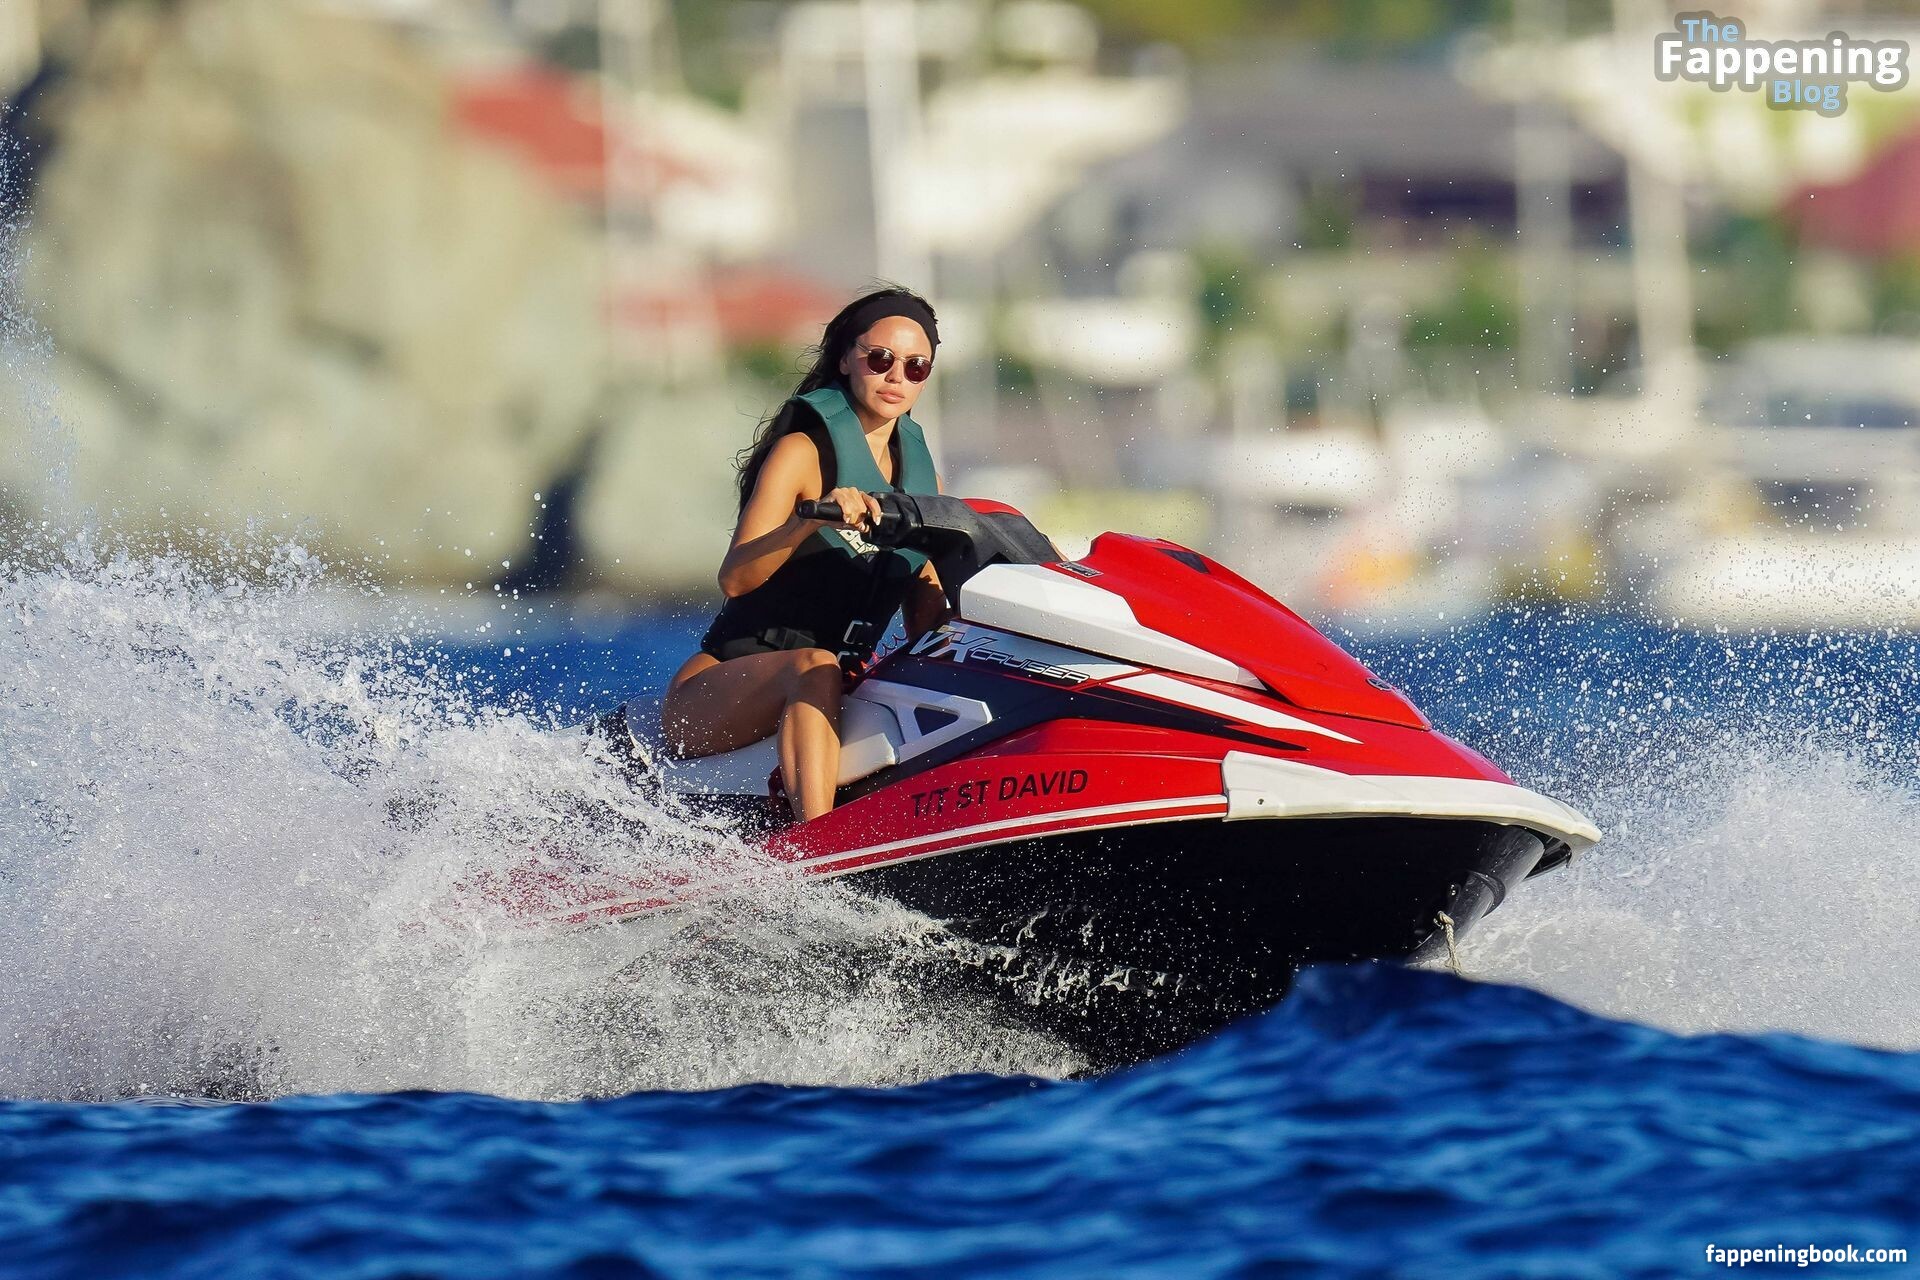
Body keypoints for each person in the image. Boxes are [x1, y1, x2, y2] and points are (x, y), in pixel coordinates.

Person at [660, 287, 950, 822]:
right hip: (718, 689)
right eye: (880, 359)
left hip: (835, 683)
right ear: (846, 359)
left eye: (915, 367)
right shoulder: (801, 453)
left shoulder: (920, 478)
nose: (896, 377)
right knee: (817, 667)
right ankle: (816, 844)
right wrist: (806, 522)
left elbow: (926, 610)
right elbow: (735, 578)